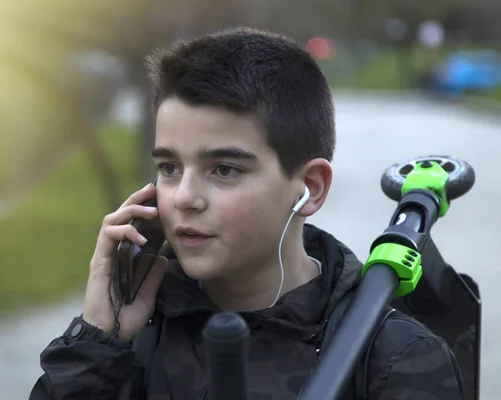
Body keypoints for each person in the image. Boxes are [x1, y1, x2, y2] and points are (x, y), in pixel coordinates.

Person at [29, 26, 464, 400]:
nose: (183, 197)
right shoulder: (134, 336)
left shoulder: (393, 360)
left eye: (224, 169)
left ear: (309, 189)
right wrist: (97, 340)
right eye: (169, 167)